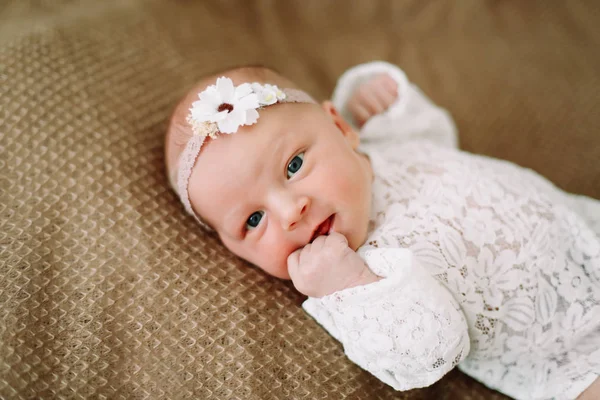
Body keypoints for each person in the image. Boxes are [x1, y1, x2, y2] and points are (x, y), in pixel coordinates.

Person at [164, 61, 600, 400]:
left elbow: (435, 133)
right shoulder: (362, 279)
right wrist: (350, 286)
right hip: (575, 357)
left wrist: (380, 103)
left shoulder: (385, 144)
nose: (289, 212)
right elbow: (431, 352)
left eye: (294, 165)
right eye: (253, 220)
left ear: (339, 128)